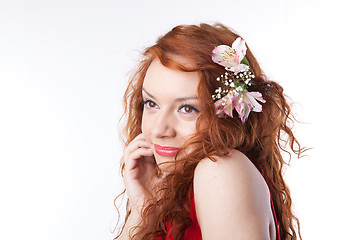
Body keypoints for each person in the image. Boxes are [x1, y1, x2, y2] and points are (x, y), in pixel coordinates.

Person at [114, 23, 305, 240]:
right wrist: (143, 211)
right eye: (151, 103)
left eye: (187, 109)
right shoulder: (178, 191)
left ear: (228, 116)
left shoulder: (220, 170)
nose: (158, 129)